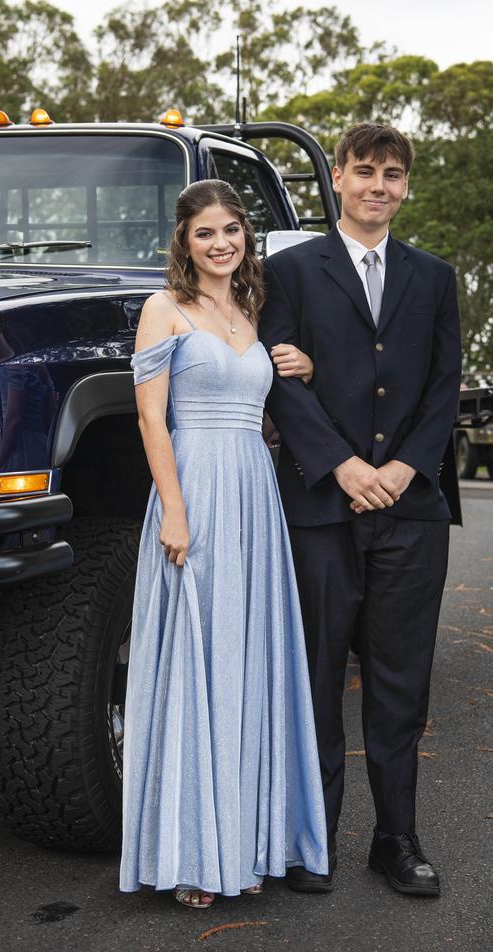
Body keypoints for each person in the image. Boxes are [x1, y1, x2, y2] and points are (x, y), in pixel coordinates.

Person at [259, 122, 462, 896]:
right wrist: (342, 464)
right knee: (315, 679)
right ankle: (315, 841)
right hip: (320, 507)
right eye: (366, 171)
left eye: (394, 175)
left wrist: (405, 468)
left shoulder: (435, 277)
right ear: (337, 178)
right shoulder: (290, 270)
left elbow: (445, 387)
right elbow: (276, 373)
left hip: (410, 513)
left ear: (406, 186)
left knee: (399, 684)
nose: (380, 185)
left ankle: (396, 838)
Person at [119, 179, 328, 908]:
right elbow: (151, 421)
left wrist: (293, 365)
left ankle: (246, 837)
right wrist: (174, 512)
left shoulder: (249, 310)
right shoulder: (163, 309)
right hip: (196, 491)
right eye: (205, 232)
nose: (220, 244)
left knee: (247, 662)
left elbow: (261, 400)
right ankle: (190, 854)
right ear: (184, 241)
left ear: (246, 238)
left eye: (231, 231)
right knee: (195, 663)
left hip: (254, 494)